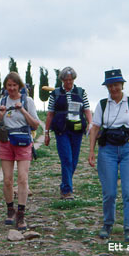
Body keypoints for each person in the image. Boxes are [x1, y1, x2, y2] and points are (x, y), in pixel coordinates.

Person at [88, 69, 129, 242]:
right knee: (109, 192)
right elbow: (95, 128)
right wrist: (91, 151)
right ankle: (108, 223)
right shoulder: (102, 104)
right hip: (108, 150)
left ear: (122, 85)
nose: (113, 88)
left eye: (116, 85)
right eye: (110, 85)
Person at [0, 72, 40, 231]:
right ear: (5, 87)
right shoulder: (2, 102)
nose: (11, 88)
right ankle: (10, 209)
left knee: (23, 179)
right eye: (9, 85)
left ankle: (21, 214)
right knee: (7, 180)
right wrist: (0, 116)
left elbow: (35, 124)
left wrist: (23, 111)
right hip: (5, 141)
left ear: (19, 86)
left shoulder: (28, 101)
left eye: (14, 85)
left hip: (23, 142)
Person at [44, 67, 92, 199]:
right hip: (61, 130)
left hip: (76, 130)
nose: (68, 82)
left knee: (74, 160)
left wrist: (90, 123)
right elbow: (50, 114)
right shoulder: (55, 94)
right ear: (62, 80)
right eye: (66, 80)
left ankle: (65, 184)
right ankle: (67, 190)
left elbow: (87, 110)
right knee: (66, 159)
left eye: (70, 80)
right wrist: (46, 132)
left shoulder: (81, 92)